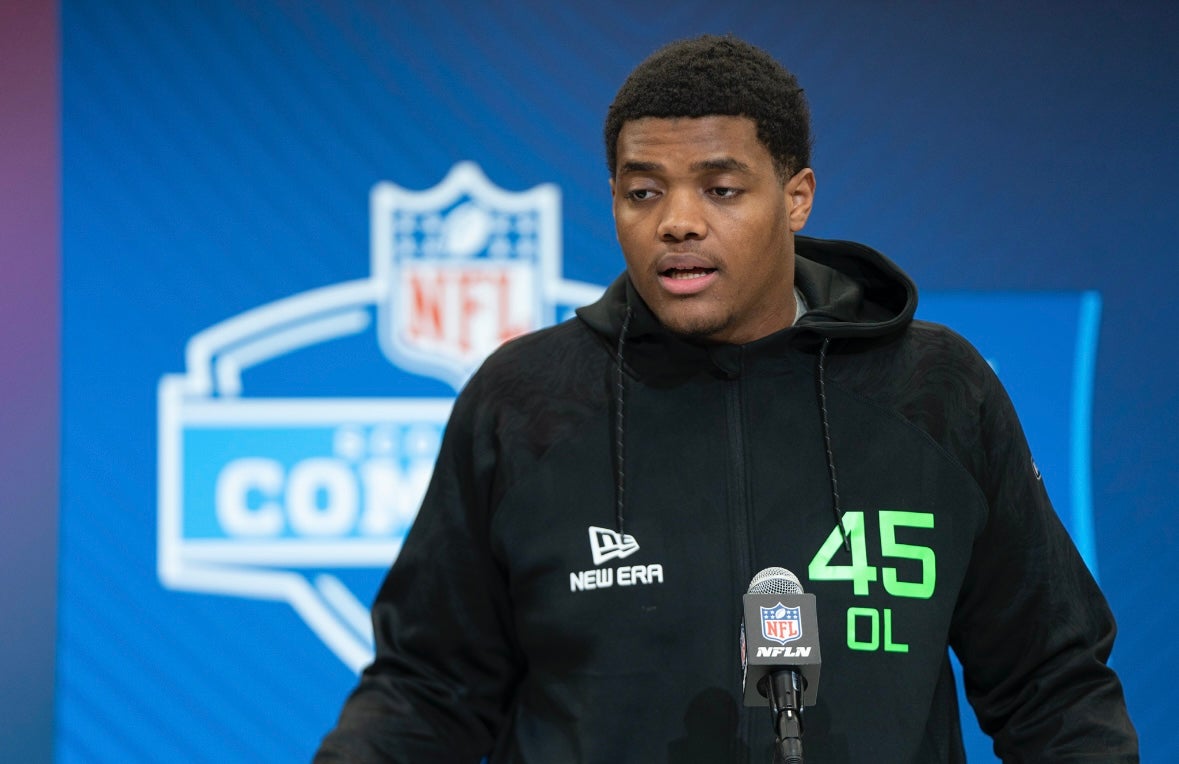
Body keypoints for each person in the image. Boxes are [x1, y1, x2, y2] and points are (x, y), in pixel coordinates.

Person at [316, 35, 1138, 762]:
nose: (676, 222)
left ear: (796, 196)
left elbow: (1050, 685)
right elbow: (428, 690)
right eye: (643, 192)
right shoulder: (525, 400)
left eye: (720, 189)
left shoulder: (935, 391)